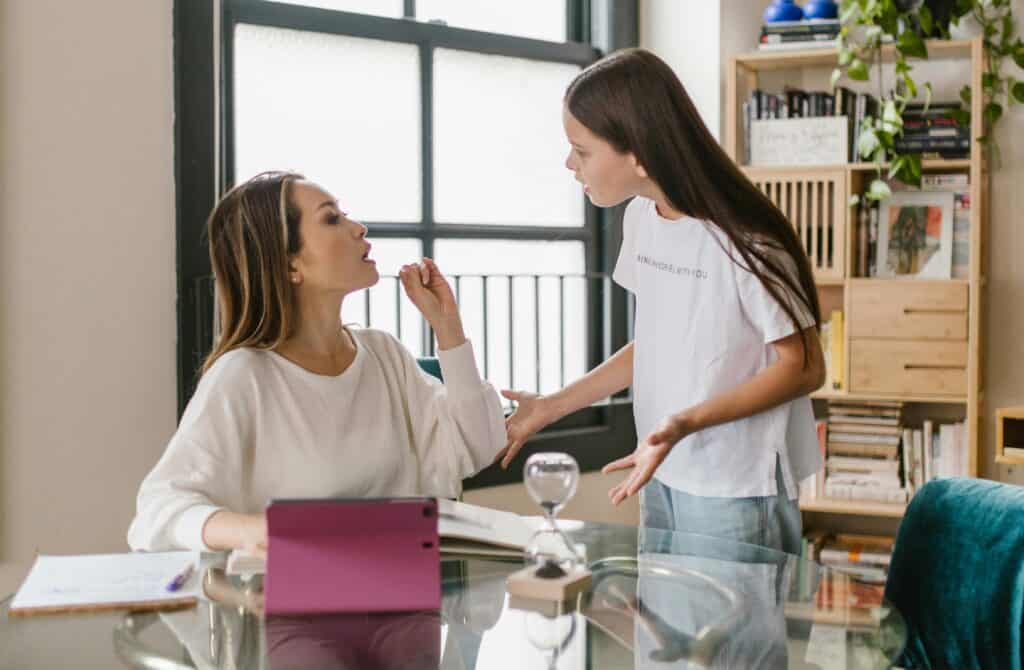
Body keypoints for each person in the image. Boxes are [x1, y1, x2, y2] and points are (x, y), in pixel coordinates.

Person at [501, 49, 825, 554]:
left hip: (737, 486)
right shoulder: (643, 219)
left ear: (638, 153)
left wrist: (684, 421)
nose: (570, 163)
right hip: (661, 467)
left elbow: (804, 368)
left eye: (581, 151)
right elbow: (655, 343)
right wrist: (552, 406)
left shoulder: (746, 239)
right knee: (664, 632)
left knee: (733, 634)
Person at [127, 171, 505, 554]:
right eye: (331, 219)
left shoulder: (384, 355)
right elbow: (159, 511)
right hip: (293, 606)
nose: (359, 228)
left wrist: (448, 328)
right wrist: (254, 532)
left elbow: (476, 446)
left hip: (405, 596)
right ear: (290, 264)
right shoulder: (244, 375)